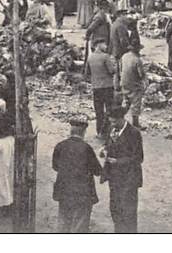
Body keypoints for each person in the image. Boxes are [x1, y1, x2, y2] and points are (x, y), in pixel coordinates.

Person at [52, 116, 102, 233]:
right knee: (80, 224)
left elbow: (55, 166)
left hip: (64, 190)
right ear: (83, 132)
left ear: (71, 131)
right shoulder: (87, 148)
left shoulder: (60, 146)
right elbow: (97, 171)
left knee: (64, 220)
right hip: (82, 193)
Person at [102, 104, 143, 233]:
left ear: (121, 119)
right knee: (115, 209)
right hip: (114, 178)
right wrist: (104, 149)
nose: (112, 124)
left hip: (128, 179)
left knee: (128, 212)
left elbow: (138, 158)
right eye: (111, 121)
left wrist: (118, 161)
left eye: (114, 122)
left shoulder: (134, 133)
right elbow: (109, 144)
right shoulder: (111, 129)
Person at [86, 39, 115, 139]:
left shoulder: (90, 57)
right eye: (104, 44)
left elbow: (87, 72)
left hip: (96, 87)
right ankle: (107, 132)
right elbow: (111, 71)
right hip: (107, 86)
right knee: (109, 110)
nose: (106, 46)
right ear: (98, 45)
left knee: (99, 111)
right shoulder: (105, 57)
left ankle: (99, 132)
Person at [120, 42, 146, 130]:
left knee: (126, 101)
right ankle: (135, 123)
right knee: (136, 103)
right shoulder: (137, 60)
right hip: (134, 84)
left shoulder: (124, 56)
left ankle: (119, 117)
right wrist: (144, 82)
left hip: (124, 82)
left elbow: (120, 68)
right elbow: (141, 74)